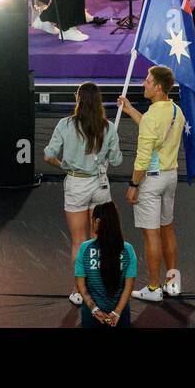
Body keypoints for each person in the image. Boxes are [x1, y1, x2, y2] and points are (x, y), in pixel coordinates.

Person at [43, 81, 123, 305]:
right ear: (98, 101)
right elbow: (117, 160)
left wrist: (64, 166)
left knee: (79, 241)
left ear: (78, 99)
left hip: (76, 185)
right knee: (101, 239)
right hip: (100, 185)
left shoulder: (65, 125)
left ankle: (79, 291)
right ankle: (101, 286)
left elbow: (48, 155)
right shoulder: (108, 127)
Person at [116, 65, 185, 302]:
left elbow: (143, 157)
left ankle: (154, 288)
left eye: (147, 81)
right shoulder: (176, 110)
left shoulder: (152, 117)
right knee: (167, 228)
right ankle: (172, 282)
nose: (143, 84)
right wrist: (130, 110)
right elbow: (152, 125)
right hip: (171, 177)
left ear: (157, 87)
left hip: (152, 181)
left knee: (151, 234)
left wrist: (133, 185)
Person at [75, 202, 137, 327]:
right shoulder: (128, 250)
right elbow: (128, 287)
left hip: (91, 314)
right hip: (120, 315)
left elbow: (81, 284)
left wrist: (94, 309)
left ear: (97, 222)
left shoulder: (85, 248)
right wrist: (117, 312)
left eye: (92, 219)